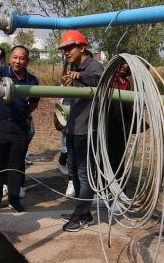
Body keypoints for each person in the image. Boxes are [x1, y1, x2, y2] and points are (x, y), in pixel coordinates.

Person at [57, 30, 104, 232]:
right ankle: (82, 211)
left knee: (84, 175)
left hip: (87, 129)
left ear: (82, 47)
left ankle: (82, 214)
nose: (66, 52)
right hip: (74, 128)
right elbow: (70, 98)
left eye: (70, 48)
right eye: (64, 49)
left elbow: (101, 81)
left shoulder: (93, 66)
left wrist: (80, 77)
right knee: (74, 172)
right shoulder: (74, 68)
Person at [0, 45, 40, 214]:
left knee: (16, 165)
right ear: (10, 59)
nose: (18, 61)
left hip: (19, 126)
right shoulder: (0, 72)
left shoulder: (32, 80)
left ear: (27, 61)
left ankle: (14, 200)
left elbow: (34, 103)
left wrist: (23, 114)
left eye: (22, 58)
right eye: (15, 57)